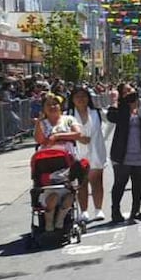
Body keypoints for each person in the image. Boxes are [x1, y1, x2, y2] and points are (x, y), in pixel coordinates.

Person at [107, 83, 141, 223]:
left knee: (138, 182)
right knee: (120, 182)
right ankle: (115, 211)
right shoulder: (120, 108)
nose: (128, 92)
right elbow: (111, 117)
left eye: (130, 89)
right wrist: (115, 102)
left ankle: (136, 209)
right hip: (122, 153)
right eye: (124, 92)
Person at [34, 93, 82, 230]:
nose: (52, 107)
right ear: (44, 108)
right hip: (47, 162)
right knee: (52, 195)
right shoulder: (42, 123)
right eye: (48, 105)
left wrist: (57, 136)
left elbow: (78, 134)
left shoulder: (68, 119)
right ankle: (49, 222)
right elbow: (40, 140)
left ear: (60, 106)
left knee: (68, 194)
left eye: (55, 104)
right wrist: (38, 122)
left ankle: (61, 219)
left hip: (67, 159)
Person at [68, 86, 107, 221]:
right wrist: (77, 138)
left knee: (97, 181)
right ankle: (84, 211)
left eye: (84, 96)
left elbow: (111, 122)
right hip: (77, 153)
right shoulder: (68, 115)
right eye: (77, 96)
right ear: (72, 99)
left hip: (96, 151)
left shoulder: (96, 112)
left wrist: (104, 137)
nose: (81, 99)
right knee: (81, 182)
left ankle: (98, 209)